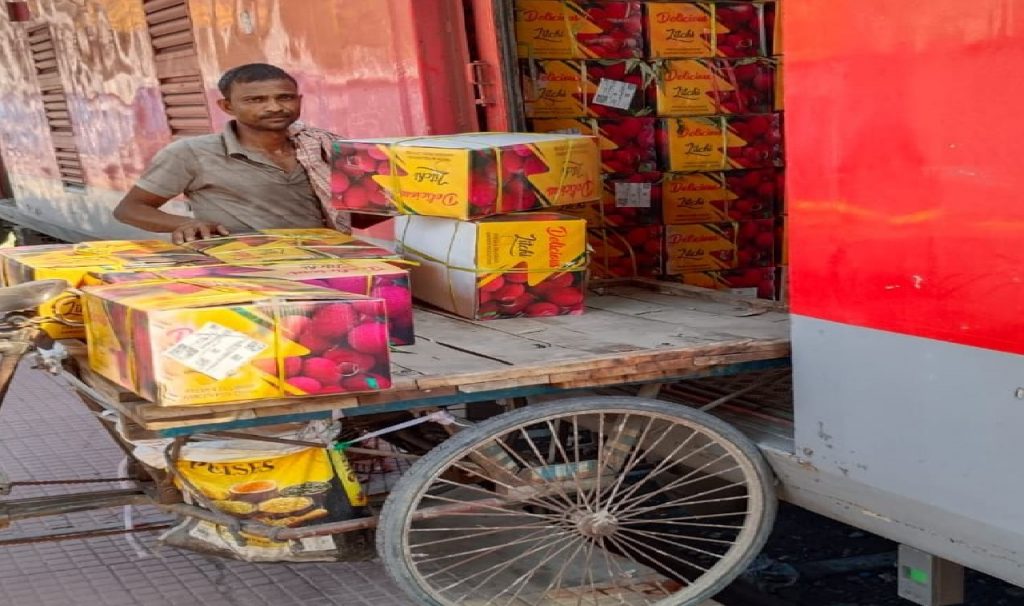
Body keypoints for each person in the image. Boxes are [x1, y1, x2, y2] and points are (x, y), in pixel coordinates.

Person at [113, 63, 347, 243]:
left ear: (299, 100)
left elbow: (358, 216)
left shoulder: (322, 148)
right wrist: (184, 223)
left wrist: (368, 195)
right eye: (256, 100)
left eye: (285, 97)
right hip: (237, 267)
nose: (274, 107)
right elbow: (129, 209)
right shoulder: (191, 153)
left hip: (322, 260)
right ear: (227, 106)